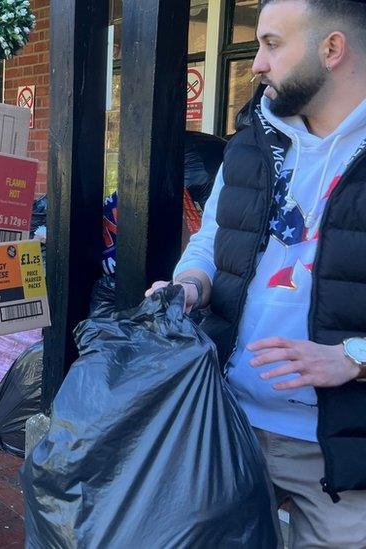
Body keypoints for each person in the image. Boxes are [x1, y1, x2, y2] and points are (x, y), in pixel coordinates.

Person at [147, 1, 366, 546]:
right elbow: (207, 243)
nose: (256, 64)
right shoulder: (252, 143)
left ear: (331, 49)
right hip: (228, 419)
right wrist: (190, 284)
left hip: (343, 445)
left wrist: (354, 358)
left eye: (271, 44)